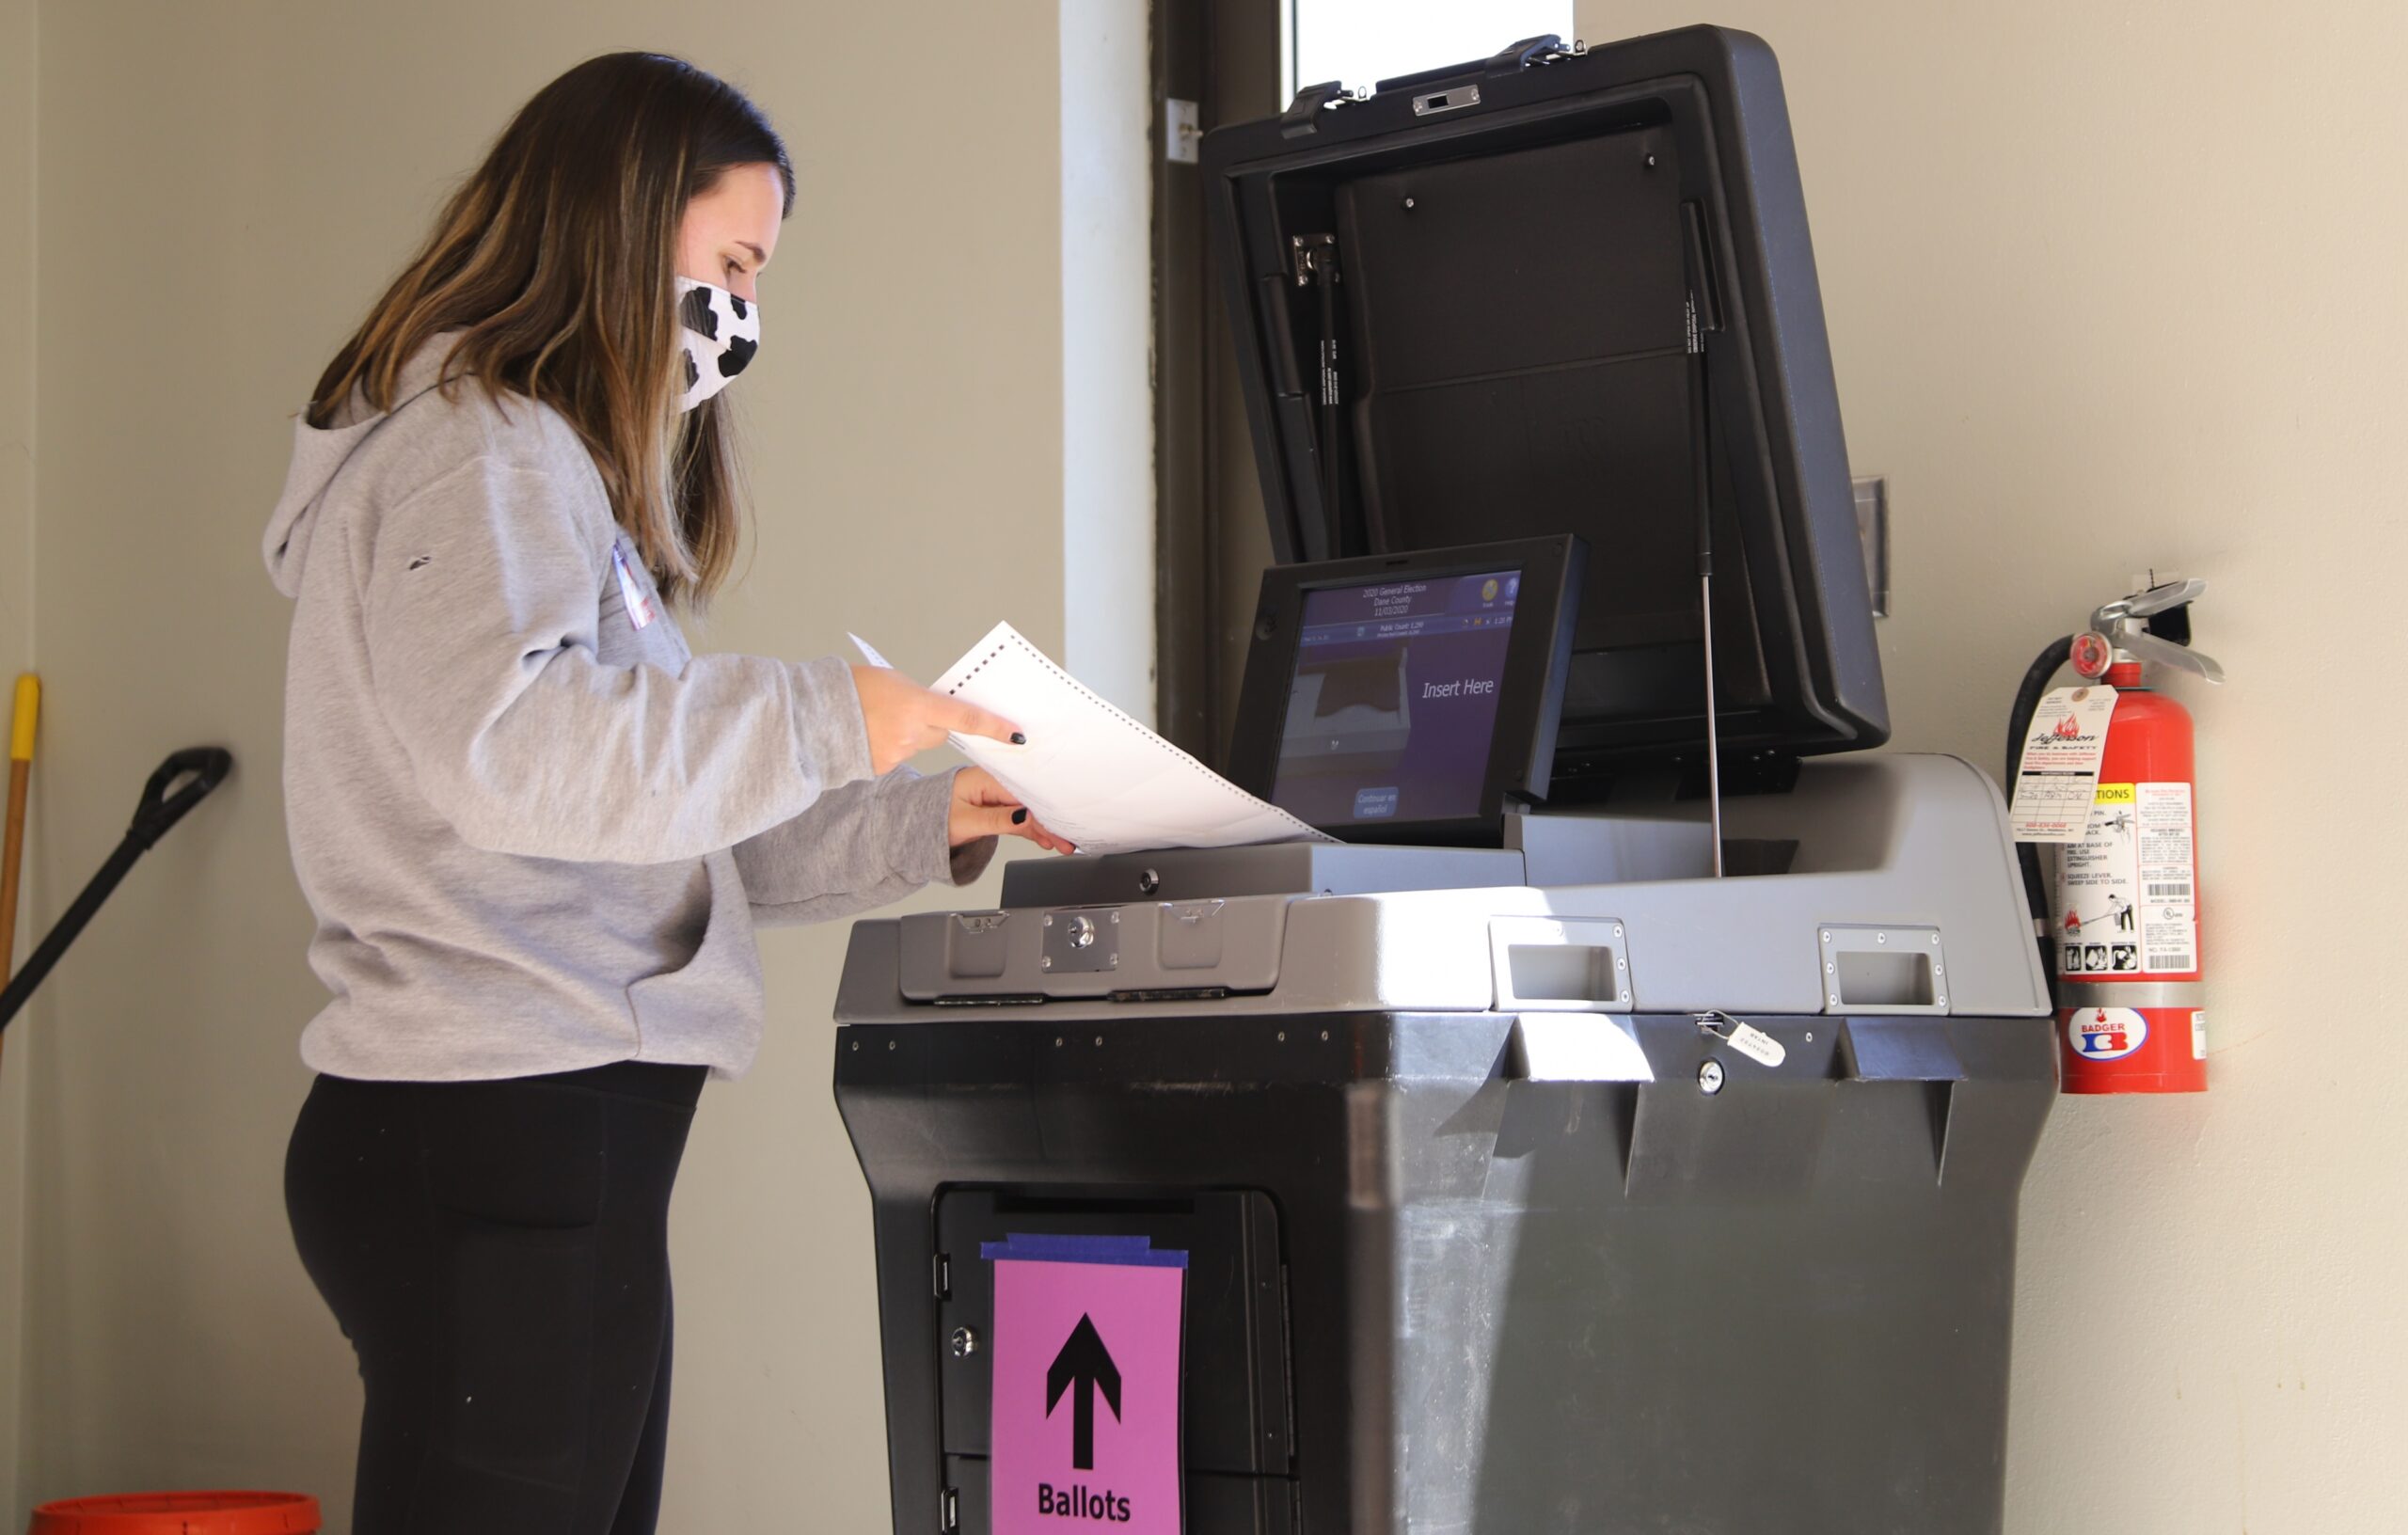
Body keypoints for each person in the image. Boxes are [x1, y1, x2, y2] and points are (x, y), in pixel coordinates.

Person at [267, 53, 1069, 1535]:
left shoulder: (529, 466)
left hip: (528, 1137)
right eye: (735, 266)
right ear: (624, 224)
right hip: (505, 1134)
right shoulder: (479, 450)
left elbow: (641, 806)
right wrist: (836, 712)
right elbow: (523, 754)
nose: (744, 323)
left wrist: (915, 809)